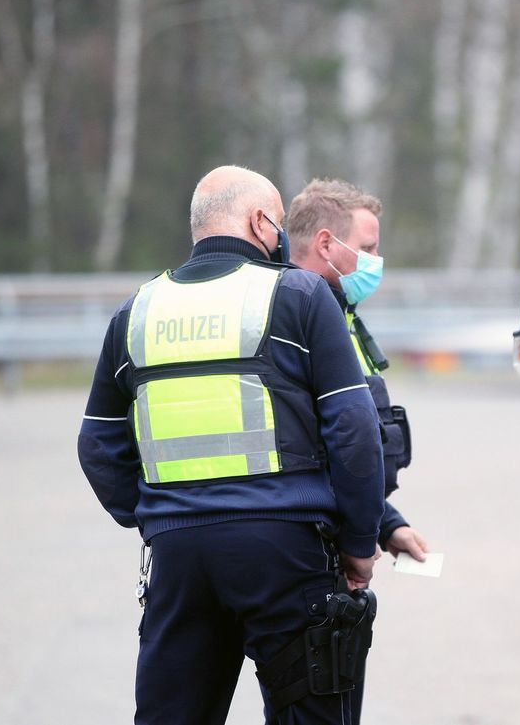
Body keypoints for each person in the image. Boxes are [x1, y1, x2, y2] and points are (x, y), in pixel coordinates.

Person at [77, 165, 386, 725]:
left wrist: (155, 512)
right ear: (259, 221)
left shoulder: (136, 312)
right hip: (283, 551)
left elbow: (97, 444)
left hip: (178, 556)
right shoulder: (299, 294)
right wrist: (360, 540)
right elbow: (354, 429)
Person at [286, 177, 429, 562]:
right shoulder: (292, 324)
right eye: (367, 248)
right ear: (326, 244)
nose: (376, 259)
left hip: (331, 533)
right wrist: (360, 543)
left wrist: (386, 524)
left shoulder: (338, 316)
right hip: (309, 541)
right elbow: (337, 444)